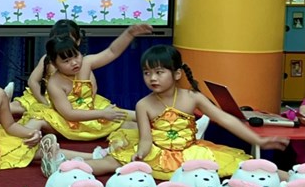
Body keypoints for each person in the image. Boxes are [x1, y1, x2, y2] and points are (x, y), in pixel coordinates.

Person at [44, 45, 290, 179]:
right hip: (157, 152)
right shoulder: (143, 104)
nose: (152, 78)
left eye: (159, 72)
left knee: (245, 165)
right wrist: (141, 153)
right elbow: (145, 140)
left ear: (177, 73)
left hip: (191, 151)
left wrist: (258, 140)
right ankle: (64, 167)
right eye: (147, 73)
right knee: (111, 162)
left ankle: (293, 178)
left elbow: (225, 119)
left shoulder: (192, 97)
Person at [22, 24, 151, 141]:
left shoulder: (86, 63)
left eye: (76, 56)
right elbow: (69, 114)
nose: (74, 63)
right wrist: (102, 114)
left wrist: (129, 34)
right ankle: (25, 143)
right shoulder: (54, 84)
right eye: (66, 61)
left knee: (140, 120)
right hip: (68, 120)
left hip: (91, 109)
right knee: (37, 119)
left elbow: (111, 52)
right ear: (55, 64)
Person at [10, 19, 82, 118]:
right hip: (45, 97)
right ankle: (2, 100)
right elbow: (32, 81)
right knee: (15, 108)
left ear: (78, 41)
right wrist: (44, 102)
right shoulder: (48, 59)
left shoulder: (82, 62)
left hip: (70, 102)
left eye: (67, 39)